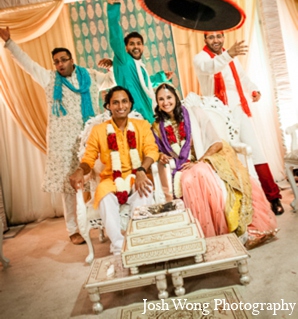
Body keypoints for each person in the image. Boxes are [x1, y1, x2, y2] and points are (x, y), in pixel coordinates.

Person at [0, 26, 115, 244]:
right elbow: (28, 65)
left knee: (96, 178)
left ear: (72, 59)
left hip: (89, 135)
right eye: (56, 61)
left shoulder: (89, 76)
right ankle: (73, 229)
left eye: (63, 59)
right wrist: (10, 43)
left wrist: (112, 68)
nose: (60, 64)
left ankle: (103, 221)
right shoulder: (49, 79)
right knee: (68, 185)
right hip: (62, 141)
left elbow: (111, 82)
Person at [152, 83, 278, 248]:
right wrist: (160, 155)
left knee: (196, 174)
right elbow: (155, 150)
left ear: (175, 97)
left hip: (207, 159)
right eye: (161, 99)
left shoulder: (194, 113)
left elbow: (216, 142)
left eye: (169, 97)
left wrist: (200, 161)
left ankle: (227, 235)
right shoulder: (157, 126)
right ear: (157, 103)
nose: (165, 102)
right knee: (189, 178)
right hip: (180, 168)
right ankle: (206, 238)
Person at [193, 32, 284, 215]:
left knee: (255, 150)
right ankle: (235, 208)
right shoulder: (200, 58)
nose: (216, 40)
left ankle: (273, 197)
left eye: (219, 36)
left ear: (223, 37)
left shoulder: (230, 56)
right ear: (205, 40)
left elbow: (242, 79)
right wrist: (229, 55)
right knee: (227, 158)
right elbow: (212, 67)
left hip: (238, 109)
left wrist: (254, 89)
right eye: (211, 37)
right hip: (216, 114)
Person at [69, 86, 159, 255]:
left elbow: (152, 151)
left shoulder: (142, 125)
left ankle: (138, 240)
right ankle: (119, 247)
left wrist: (141, 170)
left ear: (130, 104)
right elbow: (88, 158)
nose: (120, 106)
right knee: (104, 196)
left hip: (135, 175)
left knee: (145, 190)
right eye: (115, 102)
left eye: (124, 101)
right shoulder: (99, 130)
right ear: (108, 106)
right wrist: (80, 170)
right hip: (110, 179)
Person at [104, 0, 173, 123]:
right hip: (135, 112)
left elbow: (144, 83)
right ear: (125, 48)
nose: (136, 46)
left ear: (143, 47)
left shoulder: (139, 65)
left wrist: (161, 77)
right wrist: (112, 9)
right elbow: (115, 37)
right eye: (132, 44)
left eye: (139, 44)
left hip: (148, 110)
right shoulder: (124, 60)